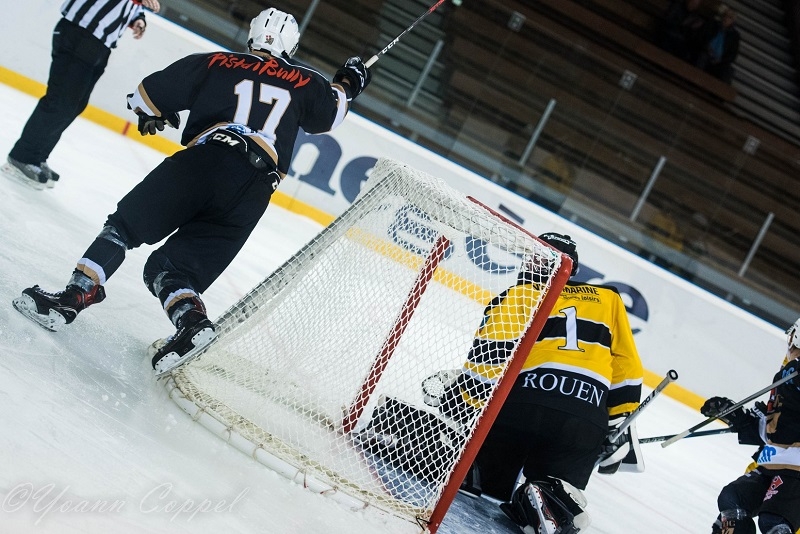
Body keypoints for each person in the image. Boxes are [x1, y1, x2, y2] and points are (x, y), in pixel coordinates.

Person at [11, 8, 371, 375]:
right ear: (290, 47)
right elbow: (333, 111)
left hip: (207, 161)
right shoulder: (307, 81)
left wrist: (153, 112)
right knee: (171, 270)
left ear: (252, 37)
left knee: (122, 229)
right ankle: (191, 324)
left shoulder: (217, 61)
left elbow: (142, 97)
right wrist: (348, 80)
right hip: (256, 190)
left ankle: (74, 297)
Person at [425, 233, 645, 533]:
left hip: (521, 408)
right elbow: (626, 366)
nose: (533, 261)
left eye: (540, 256)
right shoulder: (609, 299)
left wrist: (460, 402)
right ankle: (548, 497)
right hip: (583, 420)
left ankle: (479, 474)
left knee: (486, 472)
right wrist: (619, 422)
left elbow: (489, 360)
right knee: (561, 492)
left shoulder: (518, 294)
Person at [3, 0, 161, 190]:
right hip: (79, 32)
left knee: (73, 105)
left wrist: (138, 18)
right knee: (59, 101)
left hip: (101, 43)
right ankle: (21, 157)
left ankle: (37, 156)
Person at [700, 317, 800, 534]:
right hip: (775, 466)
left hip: (795, 471)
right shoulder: (789, 375)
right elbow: (776, 429)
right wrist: (737, 417)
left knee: (772, 521)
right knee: (731, 505)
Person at [695, 4, 741, 84]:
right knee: (702, 57)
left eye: (729, 17)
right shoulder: (712, 24)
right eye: (725, 16)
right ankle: (694, 80)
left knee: (728, 70)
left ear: (732, 21)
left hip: (720, 62)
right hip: (706, 54)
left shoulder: (734, 36)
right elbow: (701, 38)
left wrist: (721, 60)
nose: (726, 19)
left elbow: (732, 55)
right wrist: (707, 48)